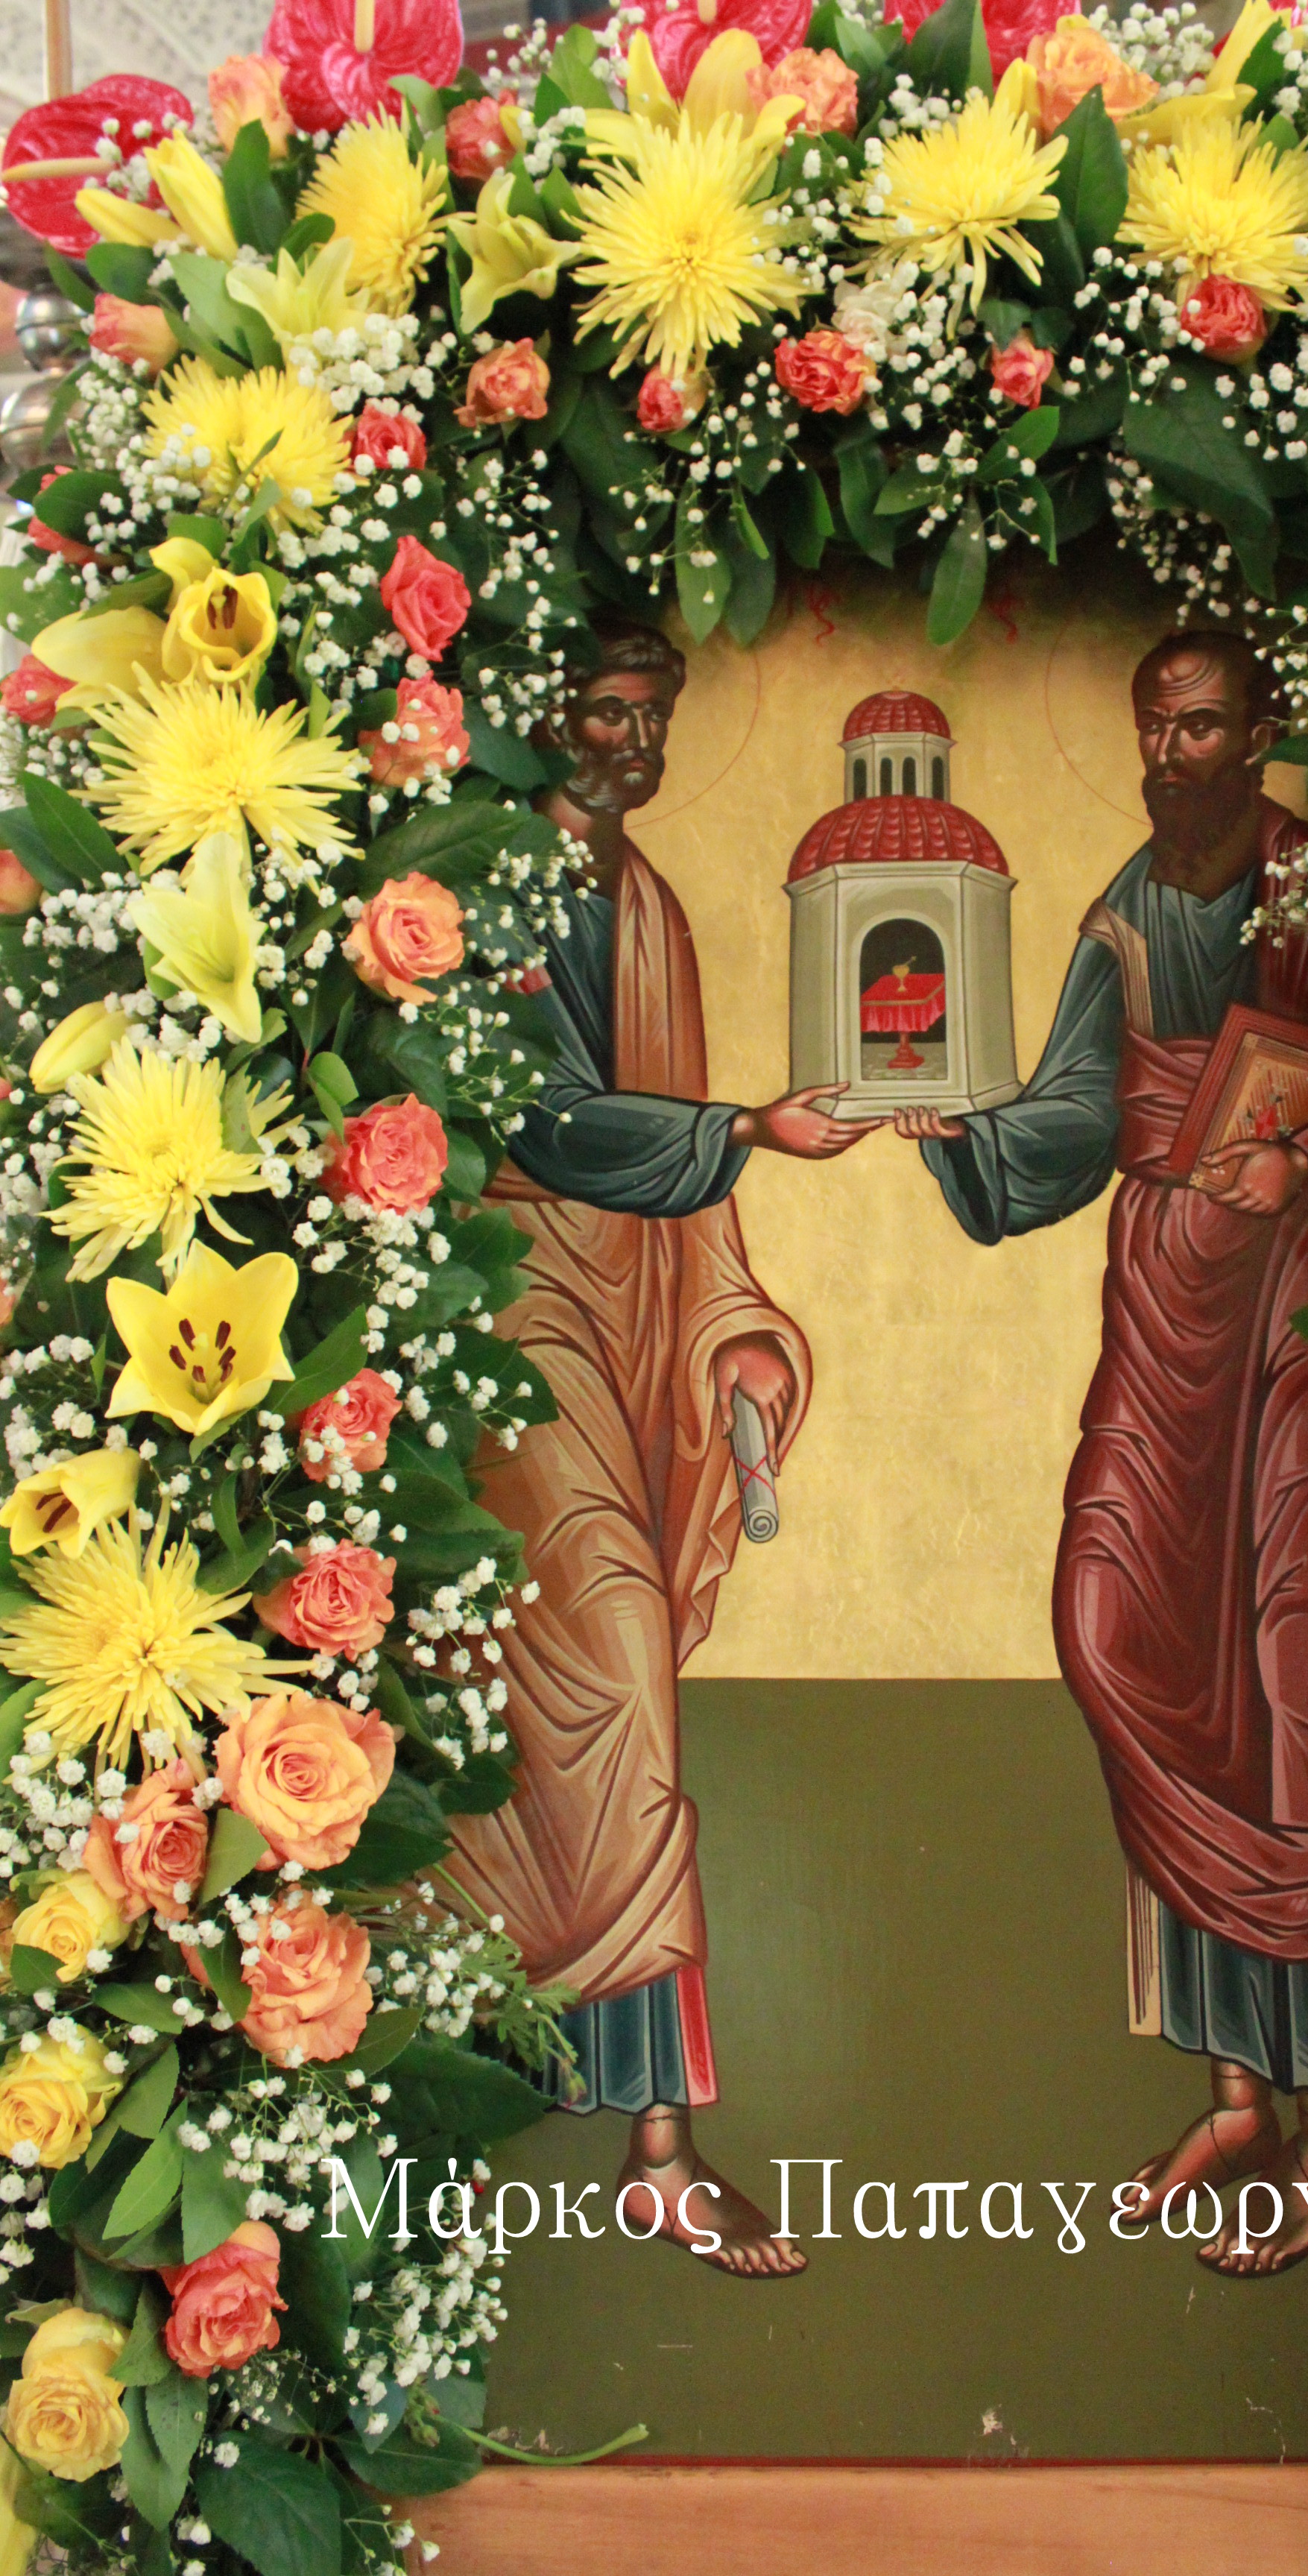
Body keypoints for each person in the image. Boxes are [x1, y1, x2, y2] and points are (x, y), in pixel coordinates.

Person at [895, 631, 1308, 2276]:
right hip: (1165, 1326)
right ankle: (1232, 2095)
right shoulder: (1127, 914)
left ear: (1260, 731)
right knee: (1123, 1633)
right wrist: (963, 1126)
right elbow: (1077, 1112)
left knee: (1300, 1688)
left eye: (1201, 726)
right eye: (1155, 726)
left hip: (1306, 1337)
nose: (1171, 753)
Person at [449, 622, 878, 2279]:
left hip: (626, 1325)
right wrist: (744, 1127)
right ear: (543, 714)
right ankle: (612, 2128)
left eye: (655, 716)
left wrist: (734, 1331)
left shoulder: (650, 907)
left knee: (617, 1699)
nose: (632, 743)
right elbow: (534, 1119)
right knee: (605, 1650)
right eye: (605, 711)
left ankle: (649, 2145)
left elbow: (688, 1196)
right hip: (503, 1305)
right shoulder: (486, 881)